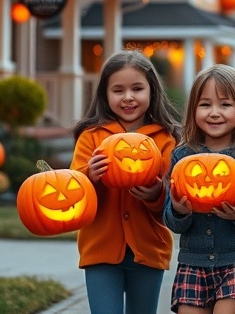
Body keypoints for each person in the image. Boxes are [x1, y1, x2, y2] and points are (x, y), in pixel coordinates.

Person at [163, 64, 235, 314]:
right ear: (193, 109)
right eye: (205, 105)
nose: (214, 112)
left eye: (225, 104)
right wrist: (178, 210)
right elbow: (172, 223)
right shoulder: (181, 157)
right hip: (193, 262)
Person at [71, 50, 182, 314]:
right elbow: (73, 196)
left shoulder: (166, 140)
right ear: (105, 95)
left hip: (149, 251)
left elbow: (172, 208)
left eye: (137, 88)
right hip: (100, 250)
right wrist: (90, 177)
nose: (128, 97)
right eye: (118, 90)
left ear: (152, 91)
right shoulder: (91, 138)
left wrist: (157, 193)